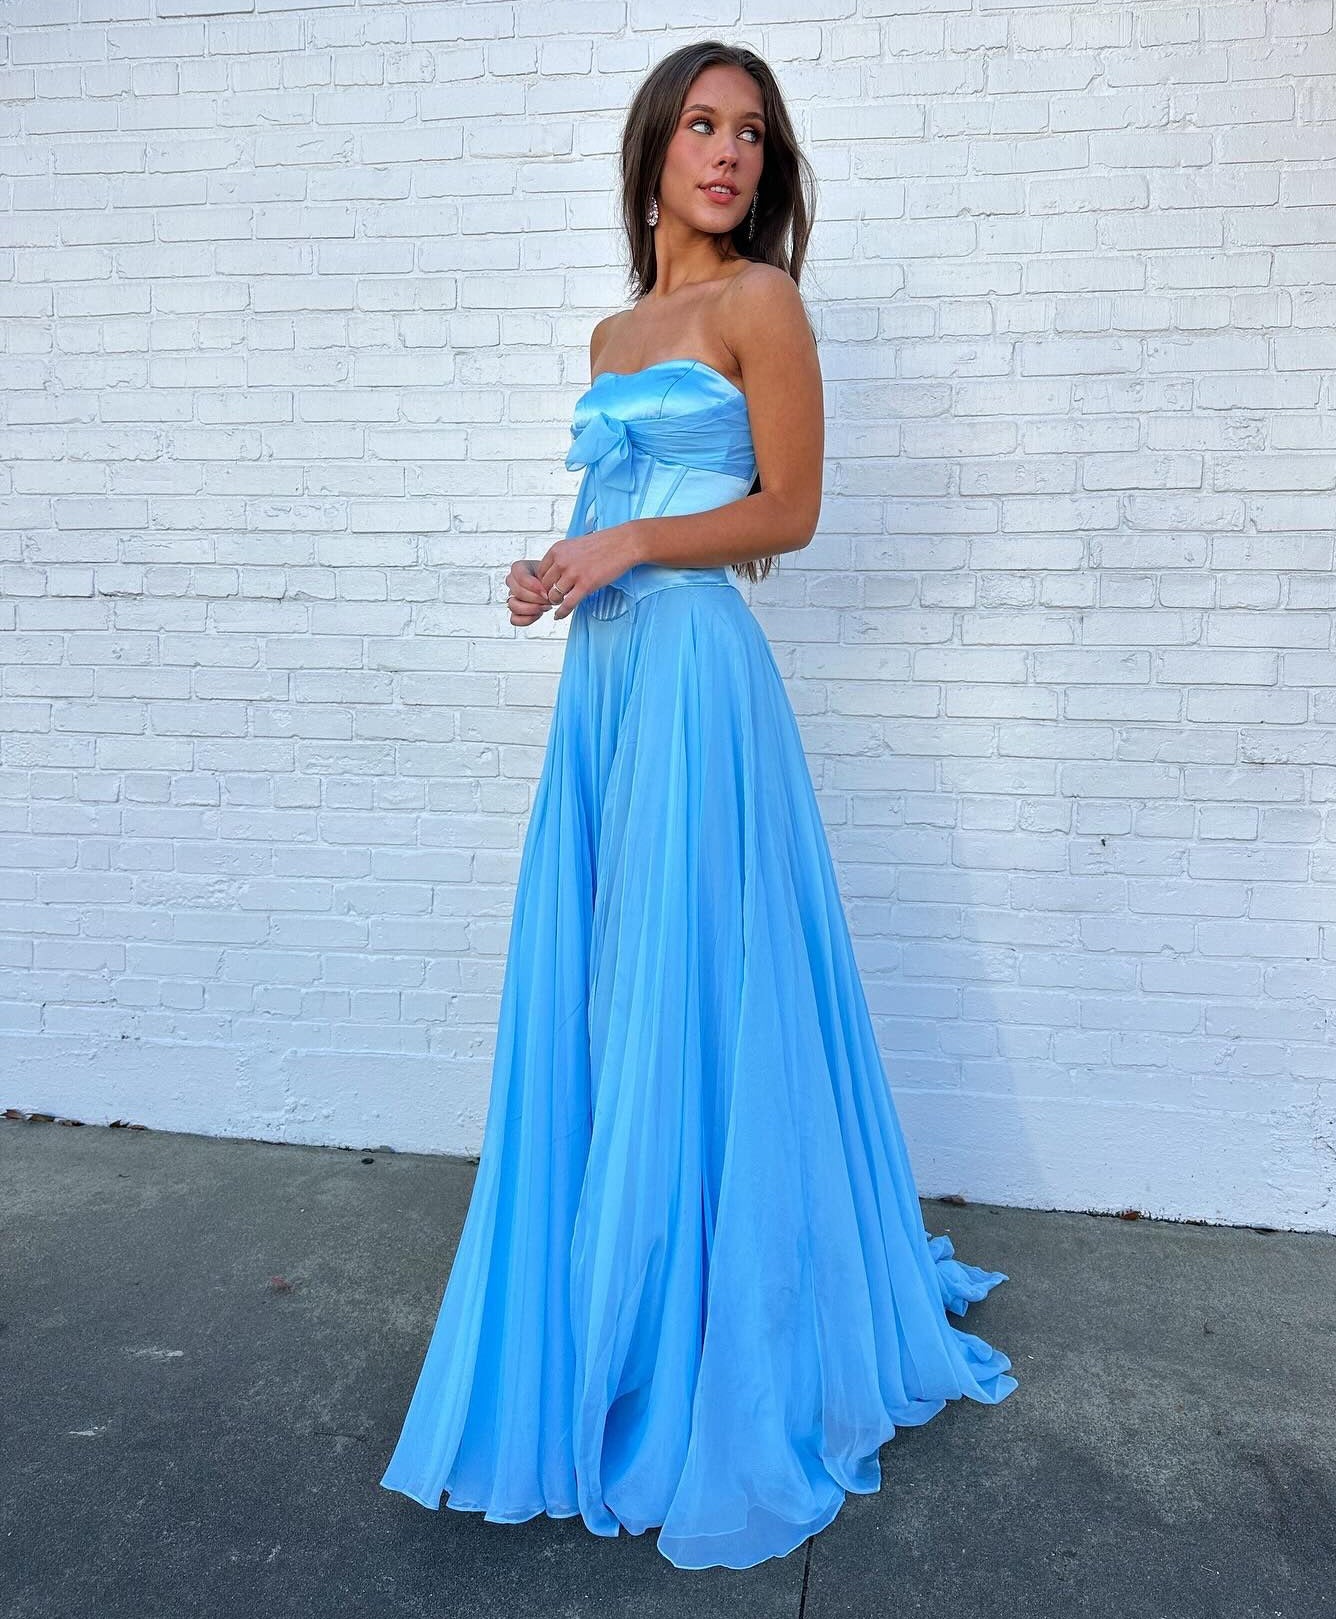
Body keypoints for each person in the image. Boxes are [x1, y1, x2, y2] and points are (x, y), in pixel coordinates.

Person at [379, 39, 1018, 1572]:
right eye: (703, 125)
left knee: (693, 983)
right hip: (607, 686)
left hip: (698, 683)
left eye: (753, 134)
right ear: (655, 148)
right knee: (614, 988)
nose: (730, 153)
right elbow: (618, 514)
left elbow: (790, 512)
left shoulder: (761, 303)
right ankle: (621, 1276)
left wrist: (629, 549)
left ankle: (707, 1325)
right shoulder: (616, 331)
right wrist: (558, 566)